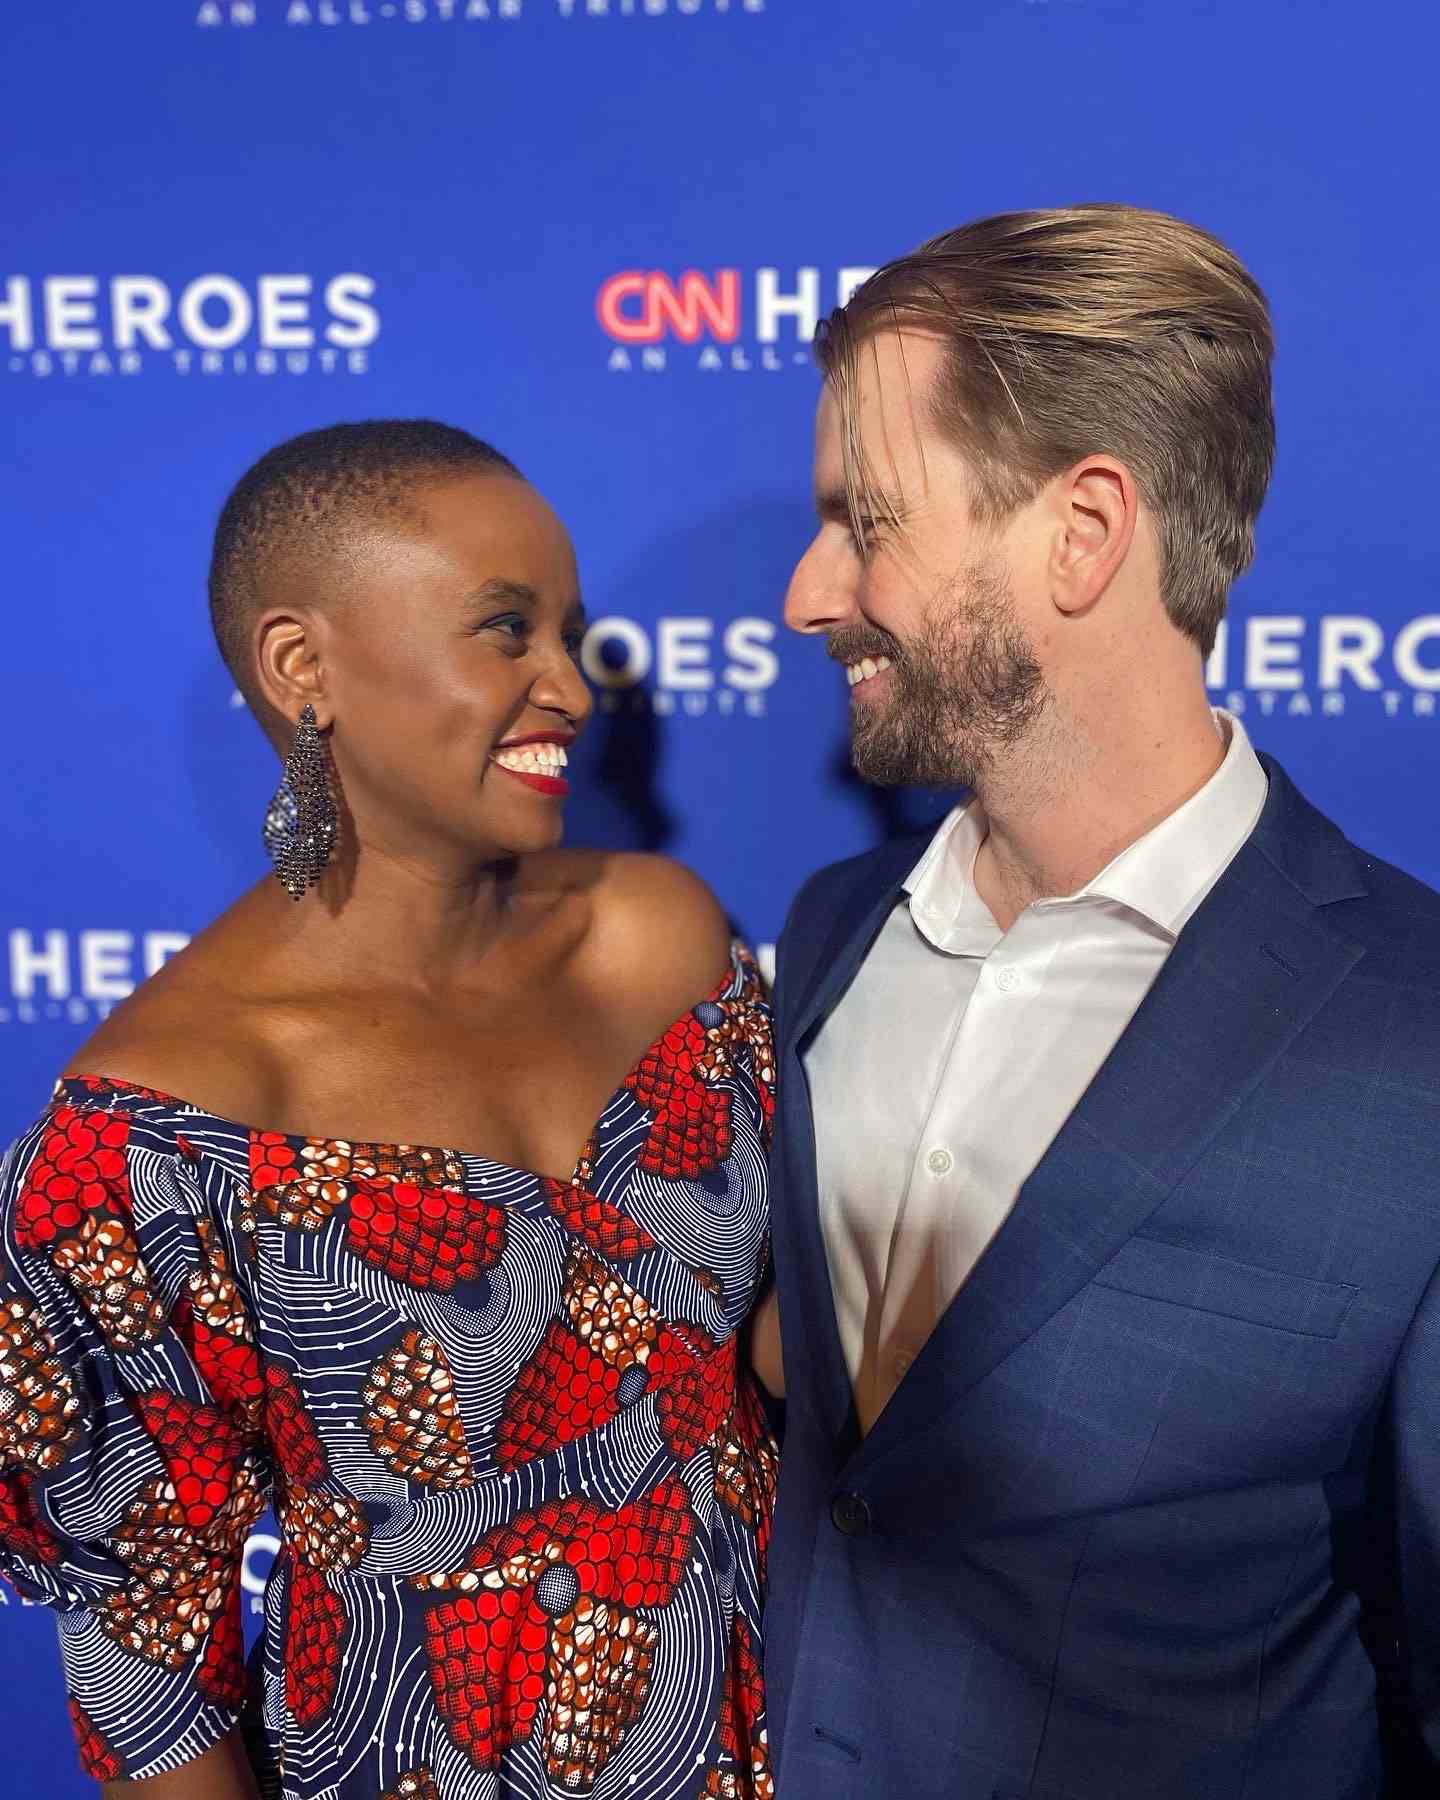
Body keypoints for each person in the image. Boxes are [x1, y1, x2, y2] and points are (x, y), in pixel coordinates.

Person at [755, 206, 1440, 1799]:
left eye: (867, 522)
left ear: (1083, 531)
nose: (805, 593)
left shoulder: (1414, 1036)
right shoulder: (836, 931)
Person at [0, 421, 777, 1800]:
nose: (569, 688)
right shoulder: (148, 1138)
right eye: (505, 630)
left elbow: (794, 1350)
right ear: (305, 668)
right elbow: (144, 1665)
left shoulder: (662, 943)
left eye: (570, 632)